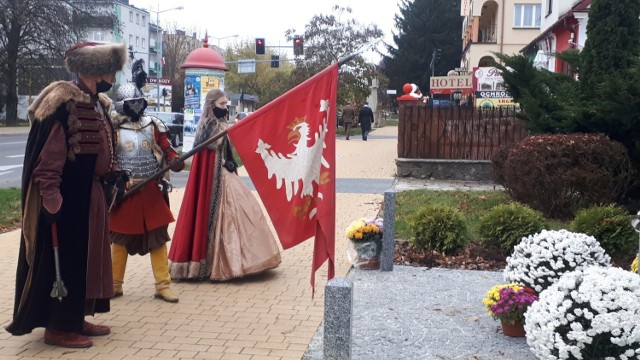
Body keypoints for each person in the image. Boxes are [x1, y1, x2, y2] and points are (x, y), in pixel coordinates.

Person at [6, 42, 128, 348]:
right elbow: (48, 157)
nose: (112, 76)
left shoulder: (98, 103)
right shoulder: (61, 101)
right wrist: (51, 197)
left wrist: (113, 171)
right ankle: (58, 327)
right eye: (109, 69)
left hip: (92, 194)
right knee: (69, 261)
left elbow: (105, 144)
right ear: (94, 69)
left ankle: (77, 318)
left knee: (87, 260)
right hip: (68, 199)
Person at [168, 89, 281, 281]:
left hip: (225, 174)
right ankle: (214, 263)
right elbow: (205, 158)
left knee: (244, 210)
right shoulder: (207, 126)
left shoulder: (221, 124)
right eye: (221, 105)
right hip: (214, 180)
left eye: (226, 104)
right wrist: (223, 162)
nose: (225, 108)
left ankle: (243, 260)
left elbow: (225, 151)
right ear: (212, 106)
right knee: (226, 215)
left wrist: (229, 161)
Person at [109, 59, 184, 304]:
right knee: (119, 240)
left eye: (139, 102)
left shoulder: (154, 125)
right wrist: (116, 178)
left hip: (151, 189)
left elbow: (167, 148)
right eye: (132, 103)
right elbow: (108, 158)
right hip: (127, 190)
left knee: (158, 239)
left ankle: (163, 286)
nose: (137, 106)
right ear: (123, 105)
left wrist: (174, 160)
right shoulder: (114, 128)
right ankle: (114, 285)